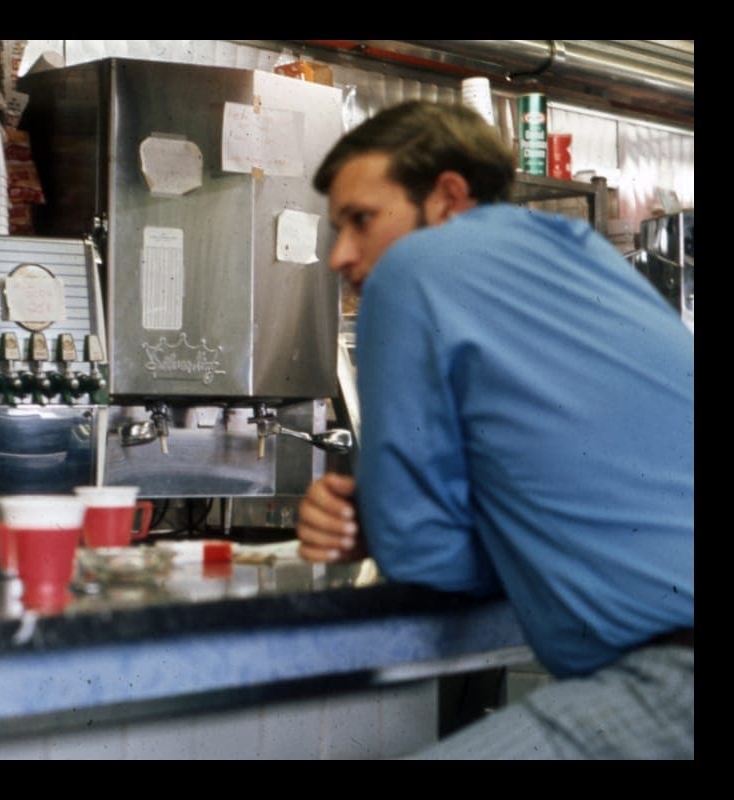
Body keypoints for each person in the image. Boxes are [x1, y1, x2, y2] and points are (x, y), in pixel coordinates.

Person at [297, 100, 694, 759]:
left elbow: (424, 557)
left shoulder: (411, 270)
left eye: (361, 220)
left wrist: (387, 521)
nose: (341, 254)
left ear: (448, 196)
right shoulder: (582, 254)